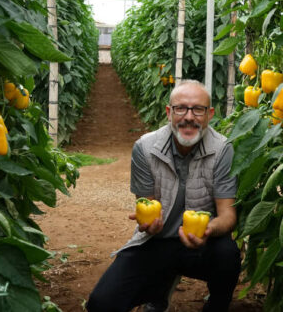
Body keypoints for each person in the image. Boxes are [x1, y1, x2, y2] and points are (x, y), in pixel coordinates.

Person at [87, 80, 241, 312]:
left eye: (198, 109)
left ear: (209, 114)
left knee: (228, 254)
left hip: (200, 245)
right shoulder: (145, 148)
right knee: (101, 304)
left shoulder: (222, 149)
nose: (189, 116)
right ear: (169, 112)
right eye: (181, 108)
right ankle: (159, 289)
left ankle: (216, 306)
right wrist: (150, 224)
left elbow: (228, 215)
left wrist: (208, 229)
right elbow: (146, 204)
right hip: (156, 243)